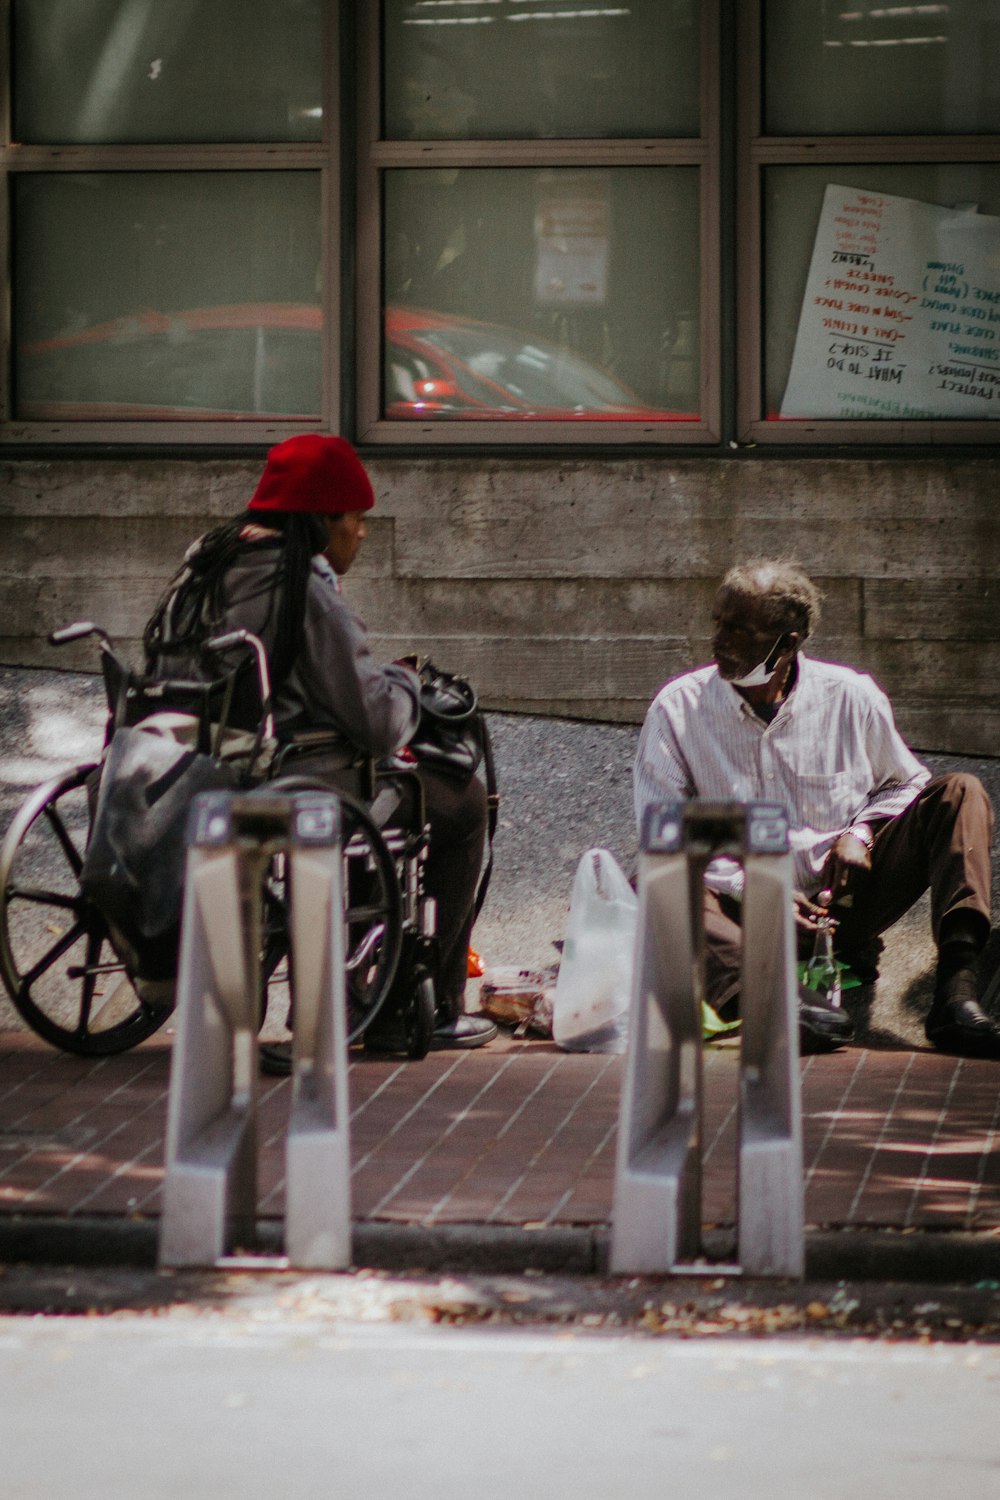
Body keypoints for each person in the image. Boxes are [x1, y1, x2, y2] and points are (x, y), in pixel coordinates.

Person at [143, 432, 497, 1067]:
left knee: (373, 794)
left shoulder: (207, 562)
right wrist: (406, 683)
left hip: (185, 766)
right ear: (320, 519)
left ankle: (365, 983)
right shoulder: (303, 587)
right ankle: (429, 1003)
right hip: (284, 780)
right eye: (355, 519)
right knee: (458, 801)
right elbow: (376, 721)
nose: (361, 534)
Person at [633, 557, 999, 1058]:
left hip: (840, 901)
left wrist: (863, 832)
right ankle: (779, 1001)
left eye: (739, 628)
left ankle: (956, 994)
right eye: (717, 622)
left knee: (960, 793)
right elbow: (663, 830)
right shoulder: (677, 708)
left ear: (788, 643)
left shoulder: (851, 696)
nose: (719, 639)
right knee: (657, 880)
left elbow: (907, 783)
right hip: (737, 915)